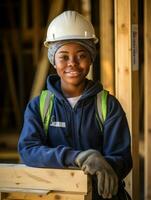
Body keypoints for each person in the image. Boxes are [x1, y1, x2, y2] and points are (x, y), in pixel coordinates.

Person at [18, 10, 132, 200]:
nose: (73, 63)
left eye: (81, 55)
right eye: (63, 56)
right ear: (53, 60)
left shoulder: (107, 106)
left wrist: (105, 165)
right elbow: (28, 151)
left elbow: (123, 158)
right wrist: (77, 157)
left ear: (91, 59)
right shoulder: (39, 106)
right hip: (56, 196)